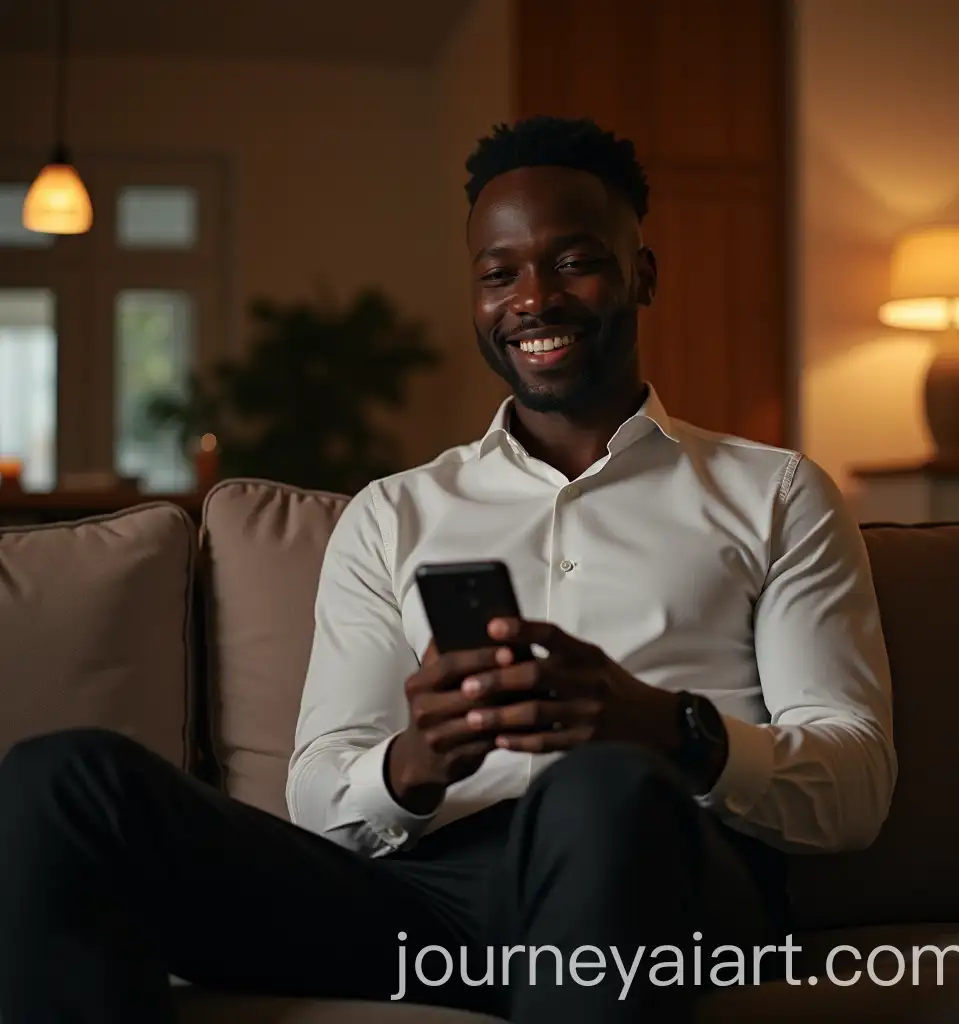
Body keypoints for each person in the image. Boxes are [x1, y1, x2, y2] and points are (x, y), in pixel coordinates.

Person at [0, 116, 896, 1024]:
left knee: (602, 786)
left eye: (574, 261)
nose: (532, 299)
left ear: (643, 274)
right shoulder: (391, 513)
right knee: (60, 779)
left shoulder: (774, 492)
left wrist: (668, 730)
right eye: (498, 273)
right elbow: (319, 793)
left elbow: (855, 787)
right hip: (429, 907)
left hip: (662, 876)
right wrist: (416, 764)